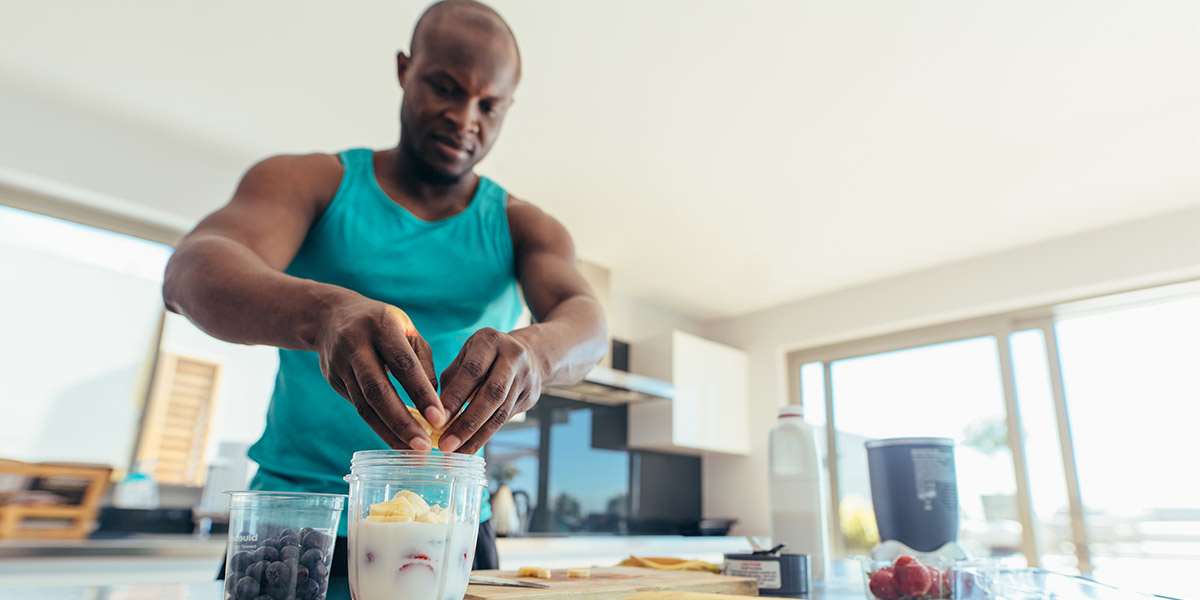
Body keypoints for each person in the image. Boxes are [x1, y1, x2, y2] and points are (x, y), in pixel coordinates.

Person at [162, 0, 607, 575]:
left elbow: (588, 323)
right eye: (445, 87)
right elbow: (190, 271)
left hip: (449, 525)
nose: (465, 117)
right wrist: (321, 312)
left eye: (489, 106)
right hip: (299, 520)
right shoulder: (312, 181)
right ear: (405, 69)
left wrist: (539, 355)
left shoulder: (524, 225)